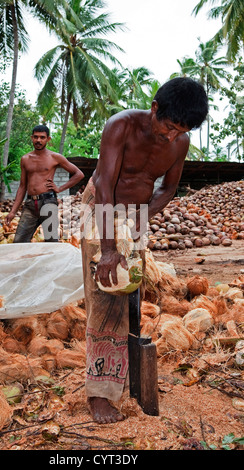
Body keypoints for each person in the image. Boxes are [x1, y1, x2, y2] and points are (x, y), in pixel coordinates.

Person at [80, 77, 208, 424]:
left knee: (130, 296)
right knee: (107, 296)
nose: (171, 137)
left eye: (180, 131)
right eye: (168, 127)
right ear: (154, 108)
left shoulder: (179, 142)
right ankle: (100, 396)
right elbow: (105, 185)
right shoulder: (120, 126)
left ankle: (125, 378)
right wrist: (109, 249)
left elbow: (168, 188)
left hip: (134, 216)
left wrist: (140, 220)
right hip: (101, 209)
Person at [5, 125, 84, 242]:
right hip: (30, 204)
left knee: (51, 242)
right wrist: (12, 212)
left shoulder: (55, 157)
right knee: (19, 241)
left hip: (48, 203)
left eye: (42, 137)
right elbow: (22, 187)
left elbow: (79, 174)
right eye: (36, 137)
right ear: (32, 138)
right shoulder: (25, 159)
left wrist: (60, 188)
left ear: (48, 139)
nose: (38, 140)